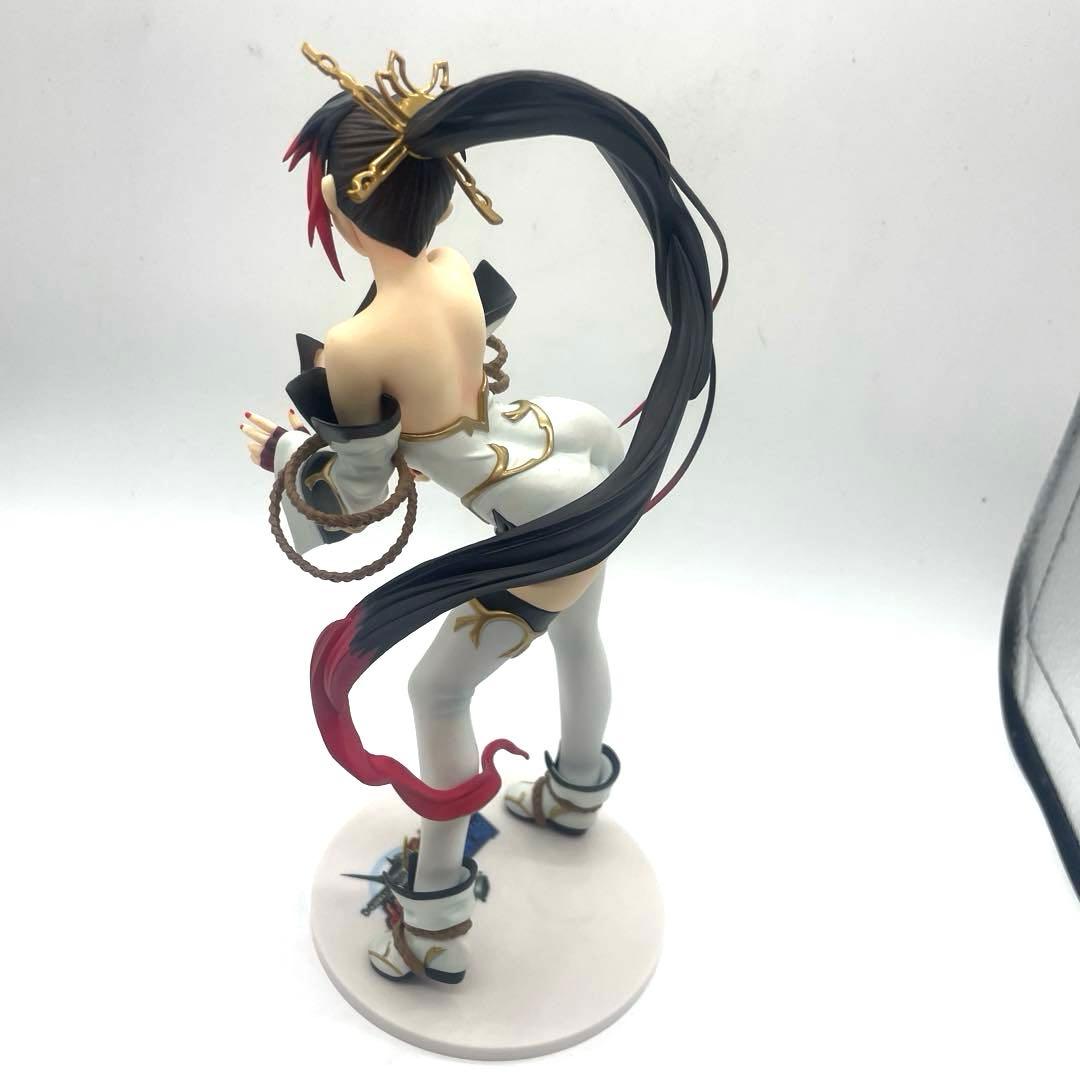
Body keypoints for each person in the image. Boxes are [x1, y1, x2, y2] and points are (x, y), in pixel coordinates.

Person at [240, 46, 726, 984]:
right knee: (578, 631)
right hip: (572, 446)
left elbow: (358, 492)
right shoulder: (453, 266)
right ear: (442, 186)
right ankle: (575, 791)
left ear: (335, 198)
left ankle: (432, 922)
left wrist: (285, 459)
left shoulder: (356, 343)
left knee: (437, 694)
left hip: (541, 523)